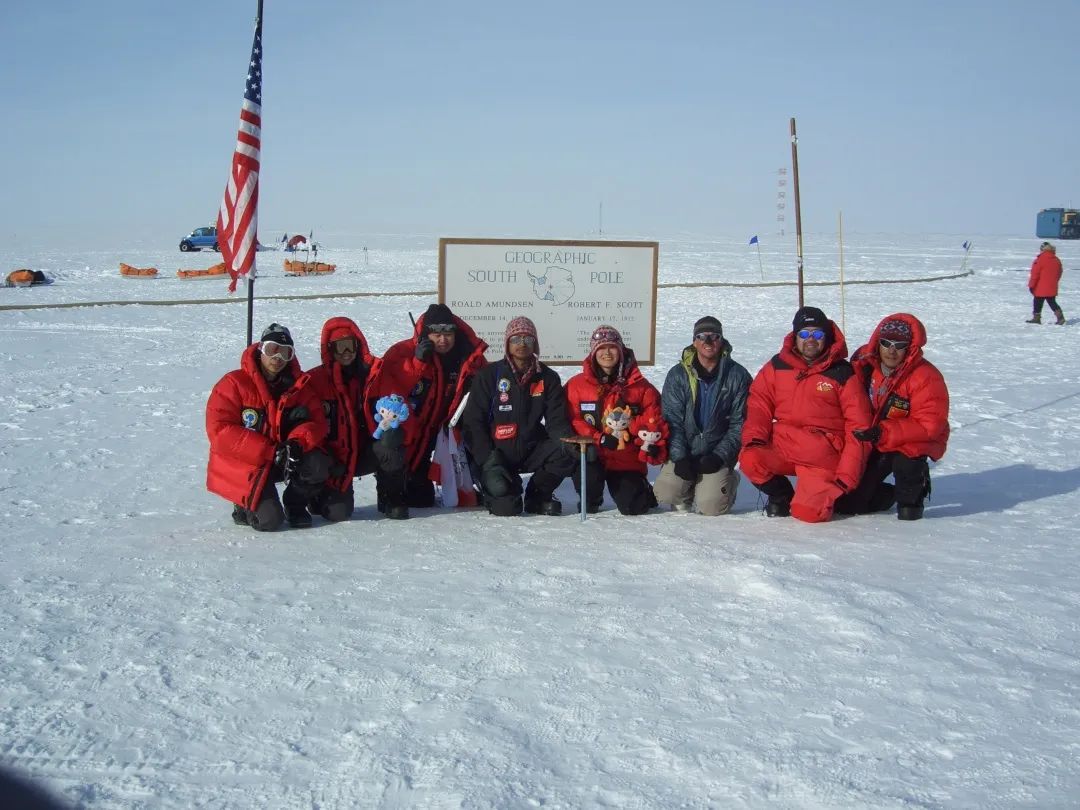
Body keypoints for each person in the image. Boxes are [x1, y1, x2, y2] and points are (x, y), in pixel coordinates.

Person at [739, 306, 873, 523]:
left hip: (821, 457)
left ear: (827, 337)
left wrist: (846, 477)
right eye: (804, 334)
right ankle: (782, 496)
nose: (811, 339)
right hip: (786, 445)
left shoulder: (842, 373)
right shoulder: (777, 366)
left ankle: (865, 494)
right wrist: (755, 438)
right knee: (751, 458)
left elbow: (859, 428)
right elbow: (758, 403)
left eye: (817, 334)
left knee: (809, 514)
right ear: (795, 336)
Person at [206, 323, 331, 530]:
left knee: (318, 462)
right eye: (272, 349)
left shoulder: (299, 386)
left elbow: (316, 422)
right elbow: (220, 432)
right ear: (260, 349)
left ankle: (295, 504)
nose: (278, 357)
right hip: (248, 464)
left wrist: (297, 443)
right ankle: (243, 502)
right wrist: (269, 451)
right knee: (269, 521)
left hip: (282, 458)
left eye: (286, 352)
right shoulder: (233, 384)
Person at [370, 303, 488, 513]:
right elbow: (390, 396)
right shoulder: (402, 352)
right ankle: (390, 490)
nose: (443, 340)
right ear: (426, 334)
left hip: (450, 431)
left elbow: (486, 390)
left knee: (480, 432)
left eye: (448, 333)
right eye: (436, 333)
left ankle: (482, 485)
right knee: (419, 498)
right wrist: (417, 363)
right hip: (414, 431)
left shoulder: (469, 357)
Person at [459, 316, 576, 516]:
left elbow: (556, 421)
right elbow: (473, 422)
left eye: (527, 339)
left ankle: (538, 496)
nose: (521, 344)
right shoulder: (489, 376)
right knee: (506, 508)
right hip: (497, 453)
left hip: (530, 448)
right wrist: (487, 458)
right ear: (507, 344)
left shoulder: (547, 377)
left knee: (567, 451)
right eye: (515, 339)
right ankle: (497, 489)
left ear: (535, 343)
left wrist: (570, 444)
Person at [837, 314, 950, 520]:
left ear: (909, 348)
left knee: (907, 474)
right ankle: (887, 495)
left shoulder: (926, 377)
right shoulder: (863, 362)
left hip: (910, 440)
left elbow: (930, 426)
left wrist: (883, 431)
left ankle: (912, 495)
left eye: (899, 345)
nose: (891, 350)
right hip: (872, 439)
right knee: (849, 503)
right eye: (886, 343)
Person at [306, 317, 412, 520]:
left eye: (350, 346)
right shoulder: (316, 381)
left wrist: (399, 432)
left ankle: (392, 497)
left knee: (391, 444)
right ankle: (318, 494)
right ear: (330, 350)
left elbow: (400, 406)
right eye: (340, 348)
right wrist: (325, 454)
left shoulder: (375, 375)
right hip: (337, 458)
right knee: (338, 513)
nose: (346, 353)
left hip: (366, 451)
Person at [565, 324, 667, 514]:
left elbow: (653, 419)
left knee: (633, 507)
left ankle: (642, 491)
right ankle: (591, 499)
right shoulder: (576, 385)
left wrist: (637, 431)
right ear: (593, 352)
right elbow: (574, 419)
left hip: (625, 457)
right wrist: (599, 438)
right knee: (588, 480)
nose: (607, 353)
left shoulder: (641, 387)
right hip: (593, 453)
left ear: (621, 350)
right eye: (601, 348)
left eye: (612, 347)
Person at [654, 316, 751, 515]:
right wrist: (680, 457)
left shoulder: (738, 376)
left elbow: (739, 424)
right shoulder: (678, 375)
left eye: (714, 336)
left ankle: (728, 482)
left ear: (721, 340)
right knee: (664, 494)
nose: (708, 342)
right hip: (686, 449)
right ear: (694, 341)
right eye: (702, 336)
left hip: (716, 453)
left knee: (711, 507)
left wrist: (719, 456)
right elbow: (671, 419)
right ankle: (689, 487)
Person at [1027, 241, 1066, 325]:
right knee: (1052, 301)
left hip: (1040, 287)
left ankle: (1036, 318)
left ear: (1042, 249)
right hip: (1052, 286)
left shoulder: (1040, 259)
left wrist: (1031, 285)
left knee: (1037, 301)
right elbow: (1060, 272)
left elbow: (1035, 274)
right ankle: (1060, 318)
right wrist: (1054, 281)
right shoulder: (1056, 259)